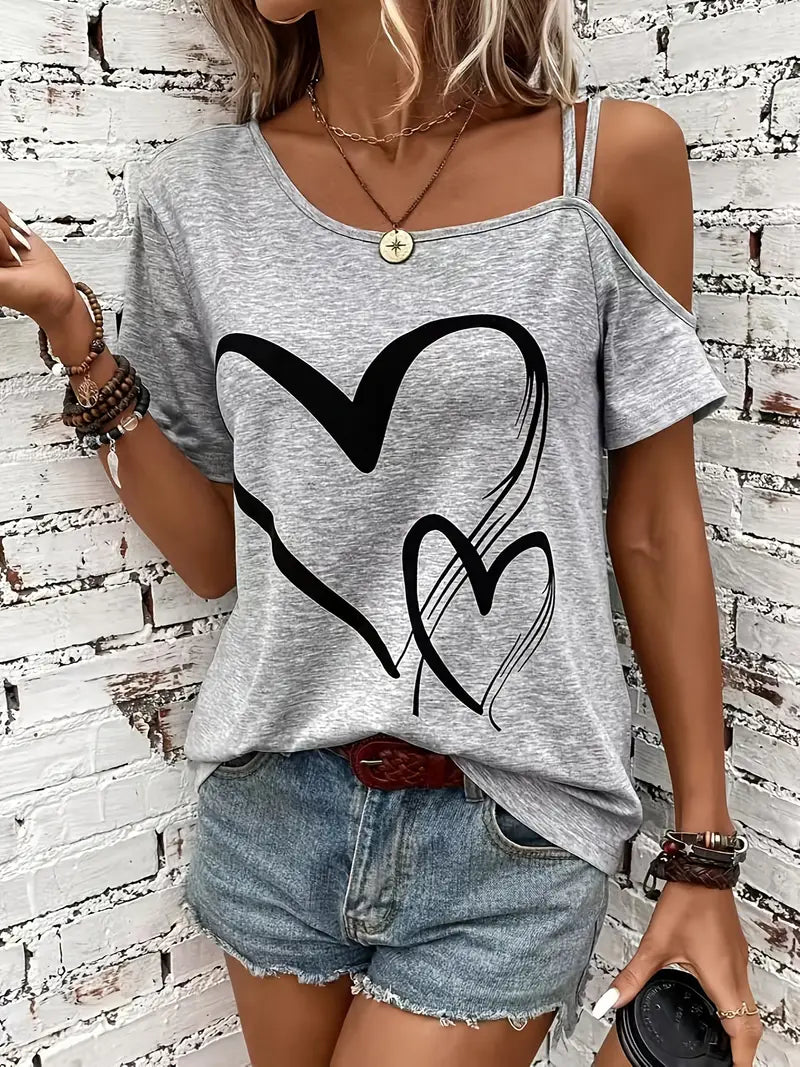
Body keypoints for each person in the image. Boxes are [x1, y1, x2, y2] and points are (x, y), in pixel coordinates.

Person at [0, 2, 763, 1065]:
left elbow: (652, 526)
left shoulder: (609, 163)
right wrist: (74, 335)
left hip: (509, 829)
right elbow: (216, 556)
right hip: (275, 810)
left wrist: (702, 854)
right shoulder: (198, 198)